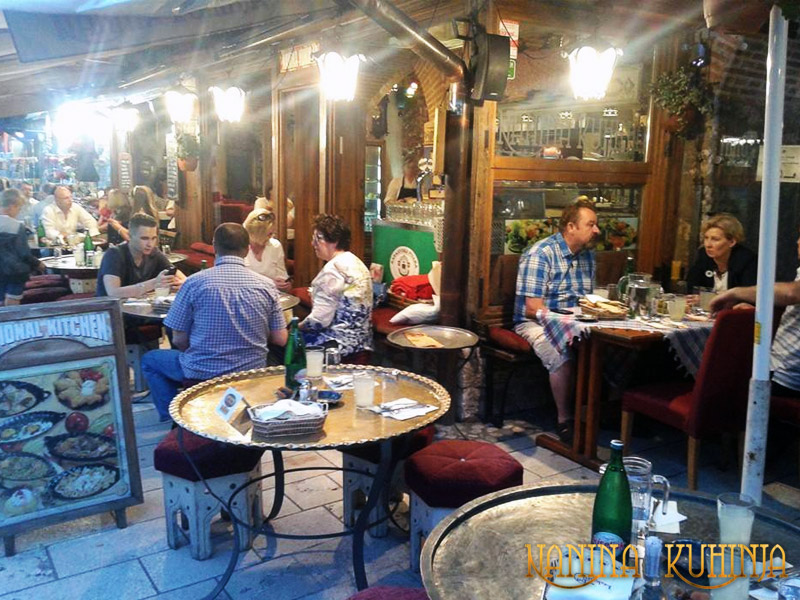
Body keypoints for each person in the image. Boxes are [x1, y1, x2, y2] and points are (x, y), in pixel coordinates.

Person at [141, 223, 288, 420]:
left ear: (214, 247)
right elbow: (280, 339)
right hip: (251, 373)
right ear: (247, 250)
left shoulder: (193, 283)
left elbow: (178, 340)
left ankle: (175, 418)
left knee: (150, 360)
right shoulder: (267, 286)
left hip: (203, 372)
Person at [513, 196, 600, 442]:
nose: (597, 230)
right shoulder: (541, 254)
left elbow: (588, 299)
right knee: (561, 354)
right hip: (535, 323)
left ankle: (599, 413)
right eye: (591, 224)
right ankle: (565, 420)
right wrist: (566, 324)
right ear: (571, 227)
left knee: (610, 348)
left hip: (576, 321)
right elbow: (532, 309)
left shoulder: (587, 255)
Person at [710, 230, 800, 399]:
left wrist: (734, 292)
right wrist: (757, 309)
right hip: (780, 368)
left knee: (717, 381)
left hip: (786, 377)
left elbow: (791, 293)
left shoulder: (746, 259)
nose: (797, 242)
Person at [299, 214, 373, 358]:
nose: (313, 244)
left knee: (282, 346)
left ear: (335, 240)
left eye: (318, 239)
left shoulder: (332, 271)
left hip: (336, 345)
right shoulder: (356, 262)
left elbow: (319, 320)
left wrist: (295, 327)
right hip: (362, 341)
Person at [96, 213, 185, 298]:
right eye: (144, 238)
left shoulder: (154, 252)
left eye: (153, 238)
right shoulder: (114, 254)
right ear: (130, 236)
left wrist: (180, 283)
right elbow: (113, 293)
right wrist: (154, 283)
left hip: (137, 305)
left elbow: (182, 278)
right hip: (109, 307)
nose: (150, 244)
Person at [687, 213, 757, 293]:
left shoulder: (746, 261)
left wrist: (709, 298)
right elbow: (691, 287)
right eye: (706, 238)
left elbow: (748, 295)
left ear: (732, 242)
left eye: (715, 239)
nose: (708, 245)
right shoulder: (703, 256)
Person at [0, 189, 43, 305]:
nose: (18, 212)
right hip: (15, 272)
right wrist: (38, 264)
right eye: (19, 208)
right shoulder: (16, 226)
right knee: (13, 301)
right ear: (12, 206)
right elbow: (24, 253)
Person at [243, 208, 291, 291]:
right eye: (269, 234)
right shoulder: (239, 247)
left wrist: (285, 285)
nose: (271, 237)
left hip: (273, 293)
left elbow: (282, 275)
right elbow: (238, 281)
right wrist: (269, 283)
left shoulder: (275, 246)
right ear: (255, 233)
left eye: (272, 233)